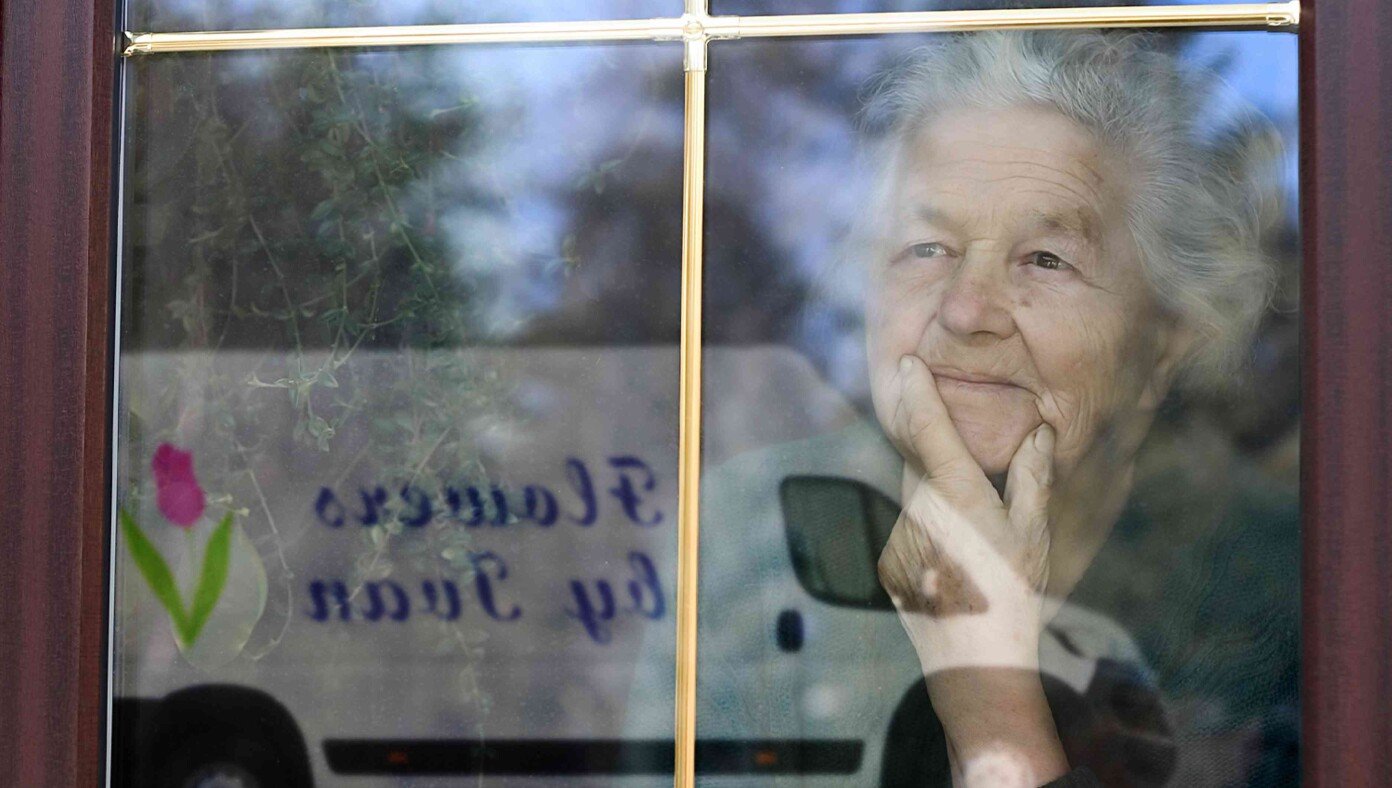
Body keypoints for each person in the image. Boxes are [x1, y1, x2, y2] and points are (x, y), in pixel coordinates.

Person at [692, 29, 1295, 788]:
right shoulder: (747, 530)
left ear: (1164, 342)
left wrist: (991, 704)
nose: (968, 310)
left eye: (1046, 260)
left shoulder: (1289, 588)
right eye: (927, 248)